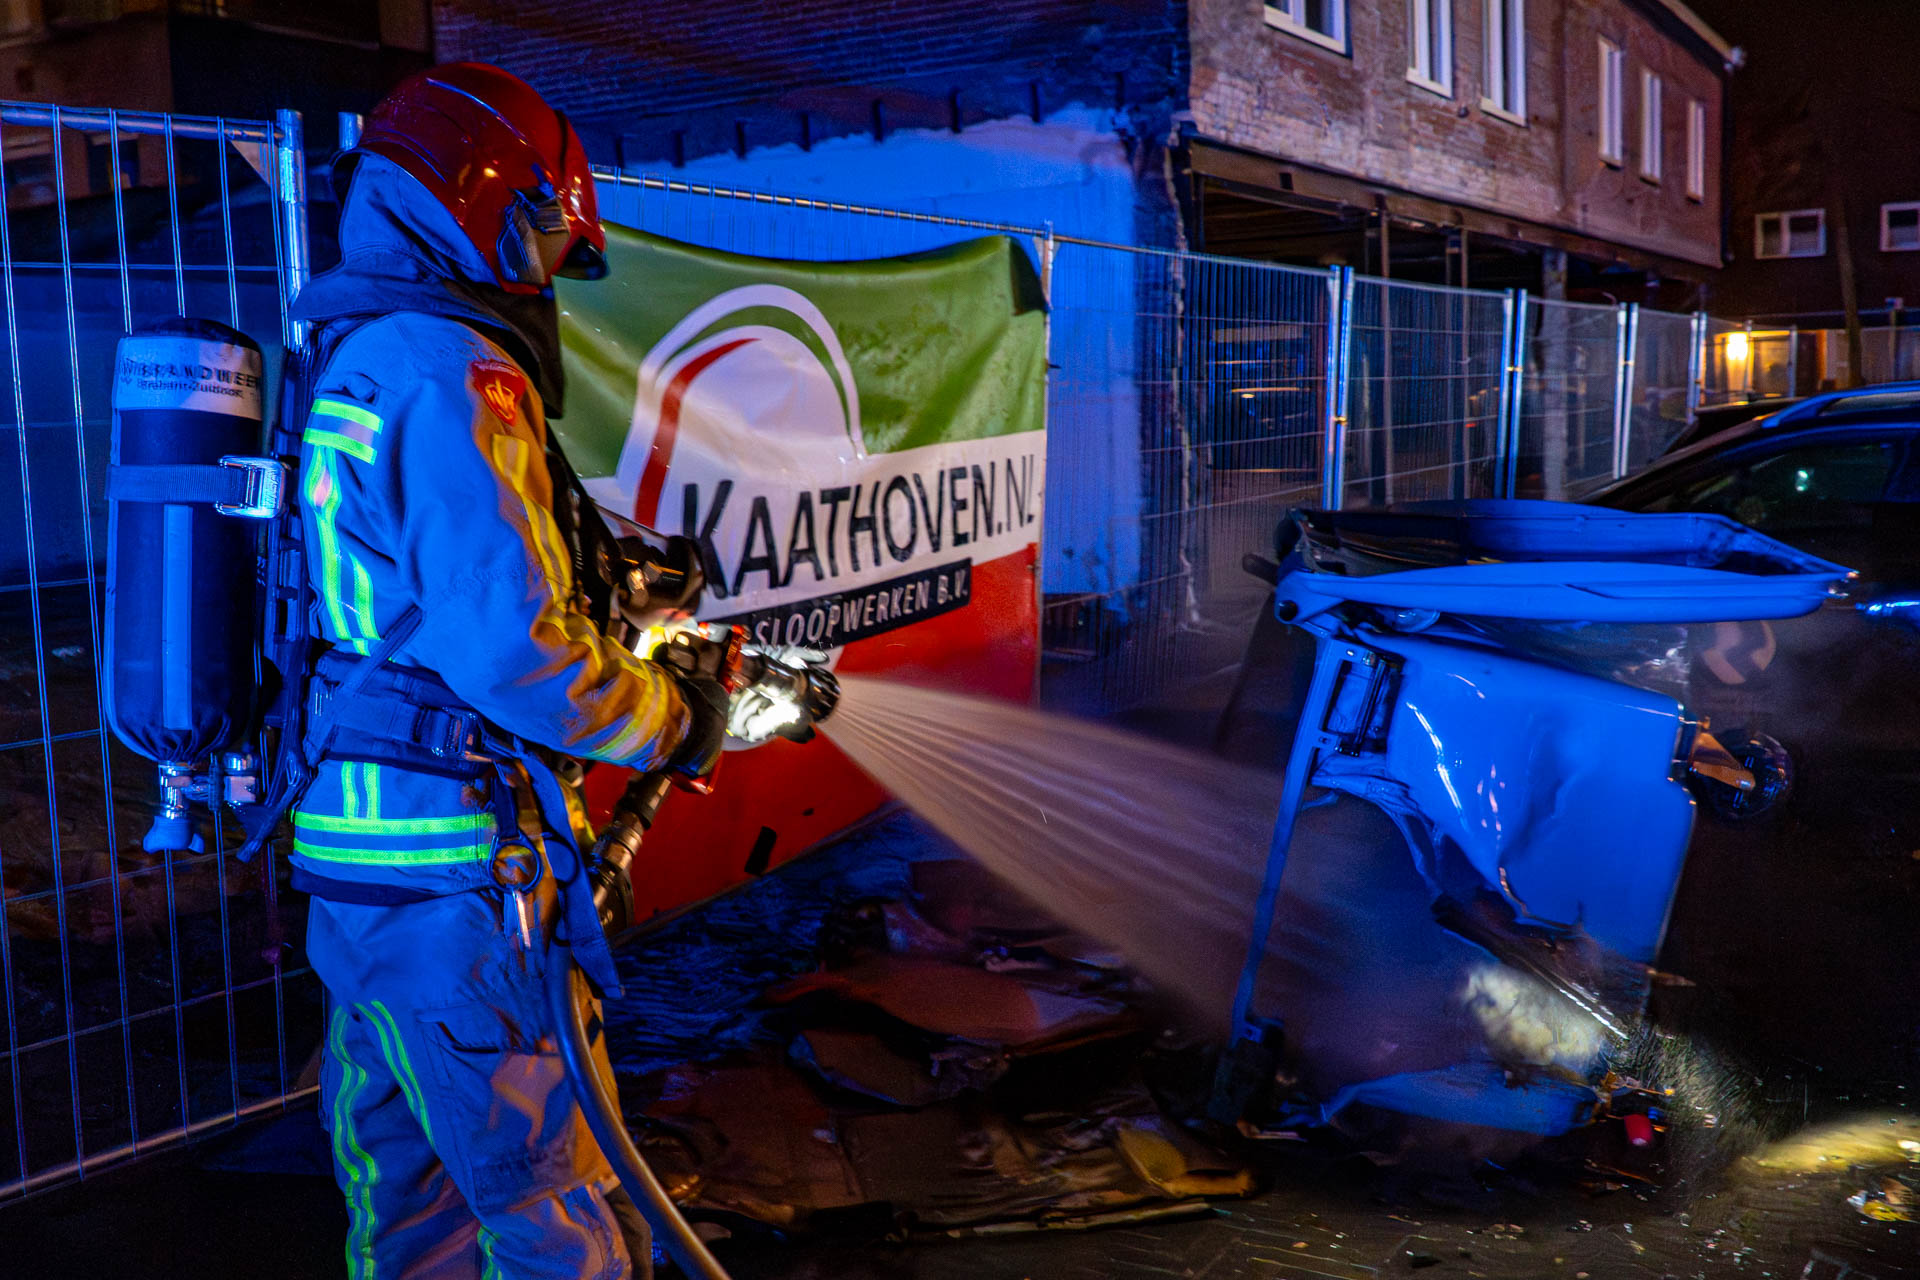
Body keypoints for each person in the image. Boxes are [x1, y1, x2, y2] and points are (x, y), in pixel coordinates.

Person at [283, 63, 725, 1279]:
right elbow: (513, 650)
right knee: (548, 1201)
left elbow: (417, 598)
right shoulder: (445, 366)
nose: (537, 269)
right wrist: (670, 720)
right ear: (468, 196)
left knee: (405, 1192)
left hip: (358, 866)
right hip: (460, 874)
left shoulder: (355, 347)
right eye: (536, 229)